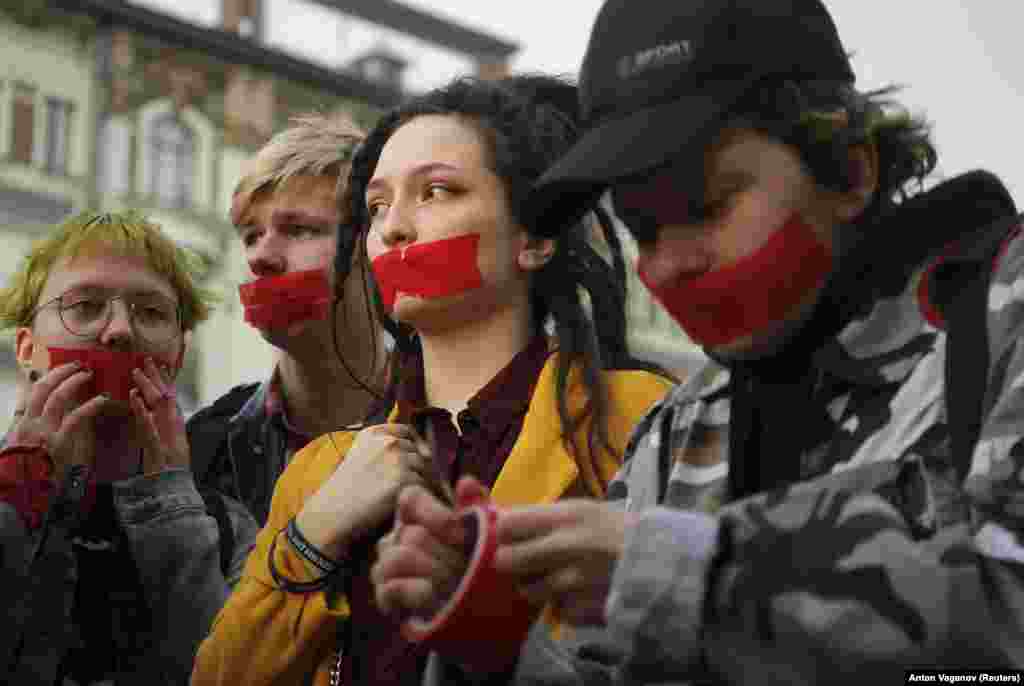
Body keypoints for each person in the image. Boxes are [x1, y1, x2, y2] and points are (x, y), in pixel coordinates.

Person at [374, 0, 1024, 683]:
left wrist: (686, 575)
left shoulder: (999, 322)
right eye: (643, 230)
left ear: (850, 170)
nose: (668, 264)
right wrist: (497, 645)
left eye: (707, 207)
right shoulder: (679, 432)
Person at [191, 74, 673, 686]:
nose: (393, 228)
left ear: (533, 239)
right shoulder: (319, 469)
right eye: (376, 206)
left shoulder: (637, 418)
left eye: (437, 192)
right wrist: (313, 538)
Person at [0, 211, 258, 685]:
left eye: (151, 312)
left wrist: (173, 514)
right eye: (83, 306)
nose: (119, 331)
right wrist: (18, 499)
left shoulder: (230, 533)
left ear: (176, 357)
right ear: (26, 349)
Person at [187, 112, 390, 526]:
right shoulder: (203, 448)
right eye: (250, 235)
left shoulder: (452, 428)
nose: (260, 256)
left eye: (298, 230)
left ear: (372, 246)